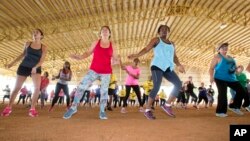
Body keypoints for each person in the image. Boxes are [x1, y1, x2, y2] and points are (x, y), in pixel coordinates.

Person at [128, 25, 185, 120]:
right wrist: (136, 55)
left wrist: (179, 65)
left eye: (166, 30)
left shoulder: (172, 44)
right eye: (162, 30)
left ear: (169, 32)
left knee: (178, 84)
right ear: (159, 32)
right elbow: (146, 49)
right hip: (157, 66)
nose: (164, 31)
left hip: (167, 67)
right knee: (157, 86)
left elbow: (174, 56)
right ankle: (147, 110)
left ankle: (167, 105)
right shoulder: (156, 40)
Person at [63, 26, 119, 120]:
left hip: (106, 72)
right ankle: (73, 108)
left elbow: (115, 57)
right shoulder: (96, 42)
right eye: (103, 30)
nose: (105, 31)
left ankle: (102, 111)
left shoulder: (113, 45)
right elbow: (88, 52)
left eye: (107, 30)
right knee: (81, 87)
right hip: (93, 70)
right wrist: (79, 57)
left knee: (104, 92)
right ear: (100, 33)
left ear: (109, 34)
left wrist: (117, 60)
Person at [1, 28, 47, 117]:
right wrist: (12, 63)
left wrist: (35, 67)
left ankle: (32, 109)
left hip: (35, 68)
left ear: (41, 36)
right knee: (16, 88)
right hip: (24, 66)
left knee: (37, 88)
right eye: (33, 32)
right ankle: (8, 107)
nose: (34, 33)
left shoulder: (43, 47)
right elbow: (22, 54)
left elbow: (41, 61)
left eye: (36, 32)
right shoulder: (27, 43)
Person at [209, 43, 249, 117]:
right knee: (223, 94)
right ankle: (220, 112)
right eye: (223, 47)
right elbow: (211, 68)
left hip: (232, 78)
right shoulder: (217, 57)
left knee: (242, 91)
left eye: (226, 47)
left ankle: (233, 106)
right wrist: (211, 77)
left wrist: (237, 71)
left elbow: (234, 67)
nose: (225, 49)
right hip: (220, 78)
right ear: (219, 49)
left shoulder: (230, 57)